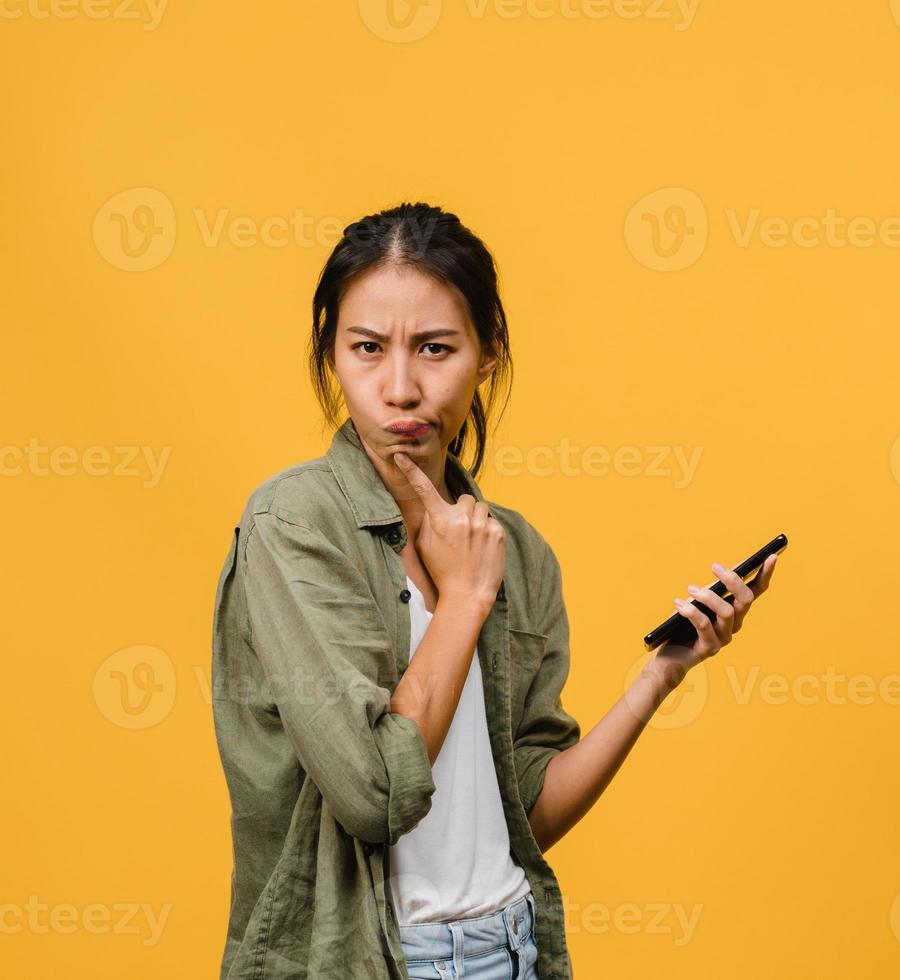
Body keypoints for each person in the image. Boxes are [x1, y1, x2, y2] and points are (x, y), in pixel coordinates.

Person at [210, 202, 779, 980]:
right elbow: (373, 795)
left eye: (436, 348)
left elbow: (526, 816)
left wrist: (661, 675)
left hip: (513, 948)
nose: (401, 387)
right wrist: (465, 599)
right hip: (362, 959)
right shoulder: (295, 523)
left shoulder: (517, 549)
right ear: (331, 355)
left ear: (486, 355)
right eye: (367, 348)